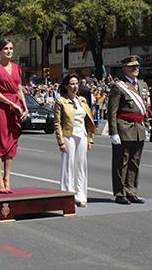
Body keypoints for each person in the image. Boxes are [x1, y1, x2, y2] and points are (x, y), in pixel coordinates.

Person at [0, 38, 28, 193]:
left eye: (11, 48)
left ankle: (7, 179)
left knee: (11, 143)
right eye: (5, 49)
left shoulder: (17, 68)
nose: (9, 51)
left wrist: (24, 106)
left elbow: (19, 89)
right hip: (1, 108)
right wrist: (12, 104)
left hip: (15, 107)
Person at [107, 55, 149, 205]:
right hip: (124, 127)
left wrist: (147, 126)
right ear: (125, 68)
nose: (135, 68)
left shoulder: (143, 85)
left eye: (137, 66)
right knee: (121, 162)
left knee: (135, 162)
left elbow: (144, 109)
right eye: (132, 66)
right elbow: (111, 111)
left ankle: (132, 191)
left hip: (139, 128)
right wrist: (113, 132)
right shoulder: (119, 86)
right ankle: (120, 193)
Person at [54, 74, 96, 207]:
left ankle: (81, 196)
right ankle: (67, 196)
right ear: (66, 86)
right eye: (71, 84)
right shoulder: (61, 101)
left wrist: (90, 139)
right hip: (68, 135)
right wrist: (60, 142)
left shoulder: (82, 100)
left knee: (81, 165)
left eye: (76, 83)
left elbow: (89, 120)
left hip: (81, 135)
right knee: (68, 165)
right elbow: (57, 124)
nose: (75, 86)